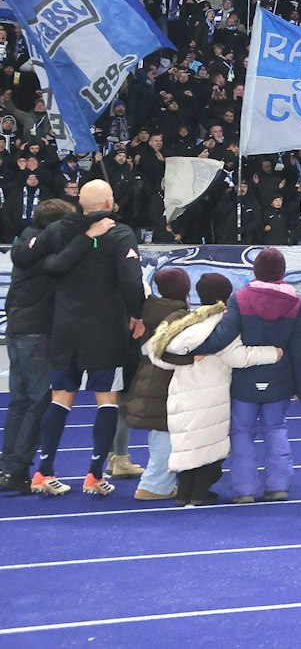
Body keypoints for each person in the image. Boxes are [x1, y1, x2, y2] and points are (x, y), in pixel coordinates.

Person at [36, 181, 145, 496]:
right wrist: (137, 314)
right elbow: (131, 280)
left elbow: (33, 259)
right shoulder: (119, 233)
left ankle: (43, 470)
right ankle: (95, 475)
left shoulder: (60, 230)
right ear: (109, 203)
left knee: (60, 397)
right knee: (107, 400)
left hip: (65, 328)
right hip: (105, 330)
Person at [147, 272, 284, 507]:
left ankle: (184, 492)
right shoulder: (222, 322)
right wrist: (272, 353)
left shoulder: (188, 322)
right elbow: (235, 356)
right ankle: (200, 493)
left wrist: (187, 360)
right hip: (212, 393)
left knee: (187, 442)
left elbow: (157, 353)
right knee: (209, 444)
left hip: (182, 391)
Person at [190, 246, 301, 502]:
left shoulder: (241, 298)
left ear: (256, 270)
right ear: (282, 272)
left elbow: (223, 336)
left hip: (244, 380)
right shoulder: (295, 302)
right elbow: (300, 348)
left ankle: (244, 489)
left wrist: (191, 349)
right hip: (279, 379)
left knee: (242, 433)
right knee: (276, 429)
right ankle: (278, 485)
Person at [0, 199, 75, 494]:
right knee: (36, 402)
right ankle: (16, 468)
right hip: (38, 331)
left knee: (20, 401)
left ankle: (8, 465)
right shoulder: (49, 253)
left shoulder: (26, 243)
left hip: (18, 328)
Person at [123, 267, 192, 500]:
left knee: (159, 433)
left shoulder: (149, 309)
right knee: (165, 434)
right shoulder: (178, 316)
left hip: (148, 379)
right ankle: (154, 485)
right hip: (166, 382)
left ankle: (159, 483)